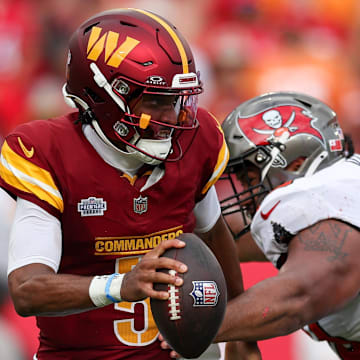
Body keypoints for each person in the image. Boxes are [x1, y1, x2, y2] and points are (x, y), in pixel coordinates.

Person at [0, 8, 260, 360]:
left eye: (177, 102)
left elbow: (214, 236)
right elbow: (28, 290)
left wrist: (242, 334)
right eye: (155, 101)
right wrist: (121, 286)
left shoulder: (196, 142)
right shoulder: (48, 153)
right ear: (104, 96)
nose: (172, 119)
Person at [212, 91, 360, 359]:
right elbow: (226, 241)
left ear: (296, 163)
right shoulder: (338, 197)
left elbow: (297, 297)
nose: (244, 194)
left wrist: (197, 328)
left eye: (248, 177)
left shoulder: (324, 201)